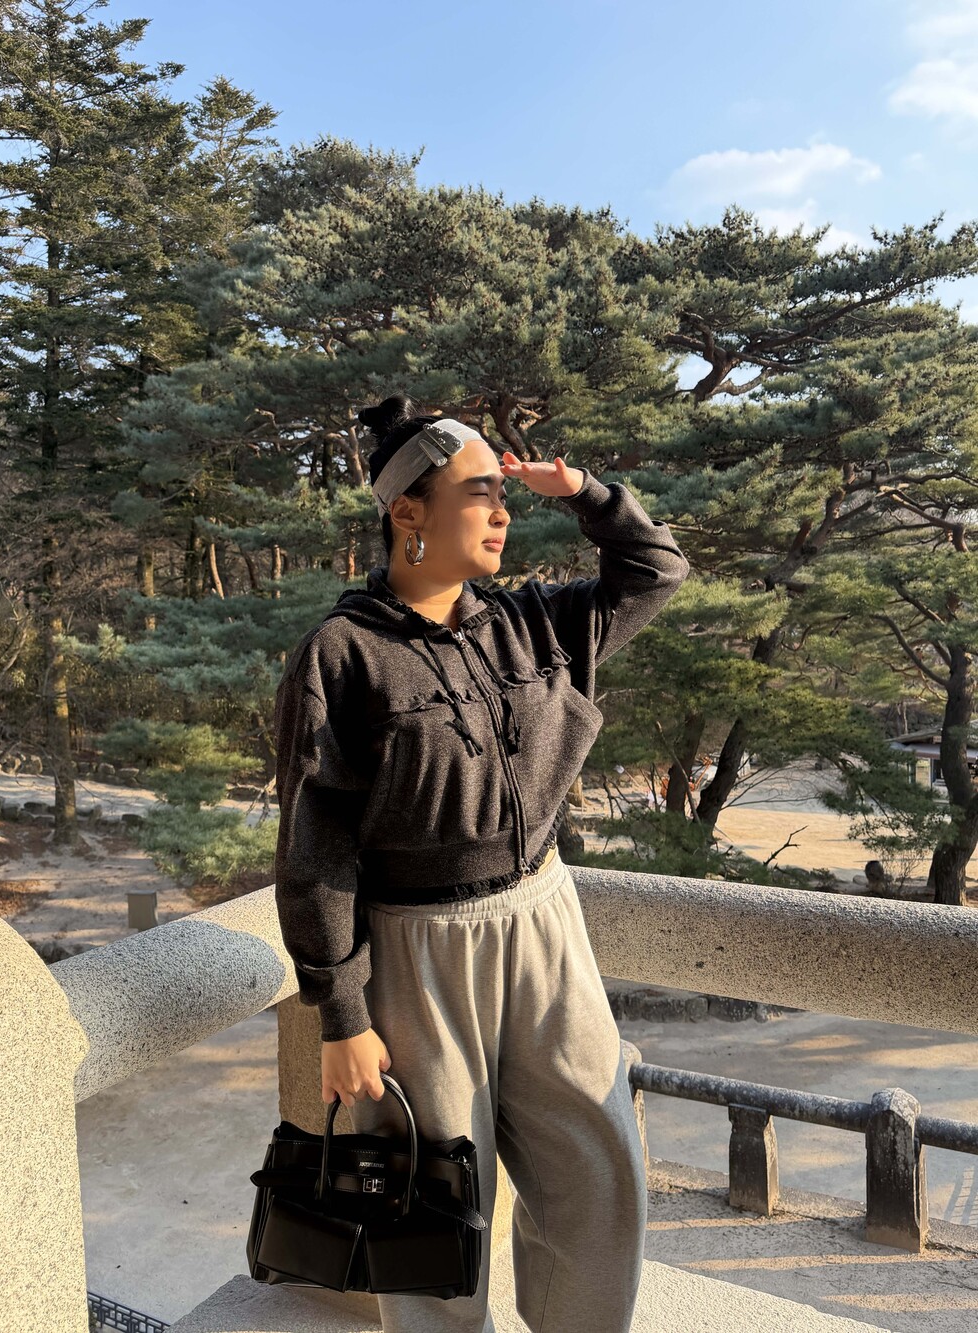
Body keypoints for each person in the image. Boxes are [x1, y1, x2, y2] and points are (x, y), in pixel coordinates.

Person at [272, 393, 690, 1333]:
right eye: (480, 493)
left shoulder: (533, 623)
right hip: (417, 951)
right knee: (434, 1205)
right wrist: (341, 1013)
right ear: (407, 512)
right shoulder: (342, 655)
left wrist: (584, 492)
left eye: (504, 495)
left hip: (545, 926)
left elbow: (656, 570)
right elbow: (314, 847)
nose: (503, 511)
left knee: (597, 1172)